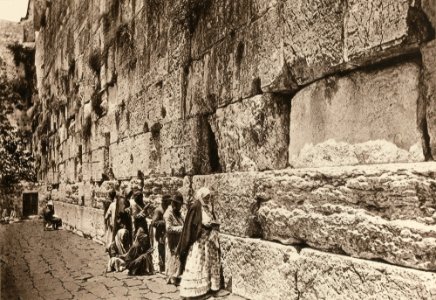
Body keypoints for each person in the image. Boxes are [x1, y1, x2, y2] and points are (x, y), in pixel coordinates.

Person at [177, 187, 228, 299]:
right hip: (199, 242)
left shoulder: (207, 207)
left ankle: (208, 289)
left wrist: (213, 224)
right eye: (206, 197)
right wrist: (204, 226)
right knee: (198, 264)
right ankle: (194, 292)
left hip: (208, 242)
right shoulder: (195, 207)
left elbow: (210, 218)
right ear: (200, 196)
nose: (208, 199)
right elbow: (190, 225)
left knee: (208, 265)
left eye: (209, 197)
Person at [164, 192, 184, 285]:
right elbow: (168, 228)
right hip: (172, 239)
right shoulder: (168, 214)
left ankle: (175, 276)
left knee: (177, 258)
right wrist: (181, 228)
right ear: (174, 204)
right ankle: (171, 277)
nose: (180, 207)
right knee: (172, 257)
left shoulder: (178, 213)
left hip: (178, 240)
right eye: (179, 205)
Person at [152, 194, 171, 273]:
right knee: (161, 250)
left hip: (165, 232)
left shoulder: (167, 209)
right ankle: (161, 267)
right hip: (160, 233)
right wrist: (165, 222)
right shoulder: (159, 210)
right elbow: (154, 222)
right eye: (168, 202)